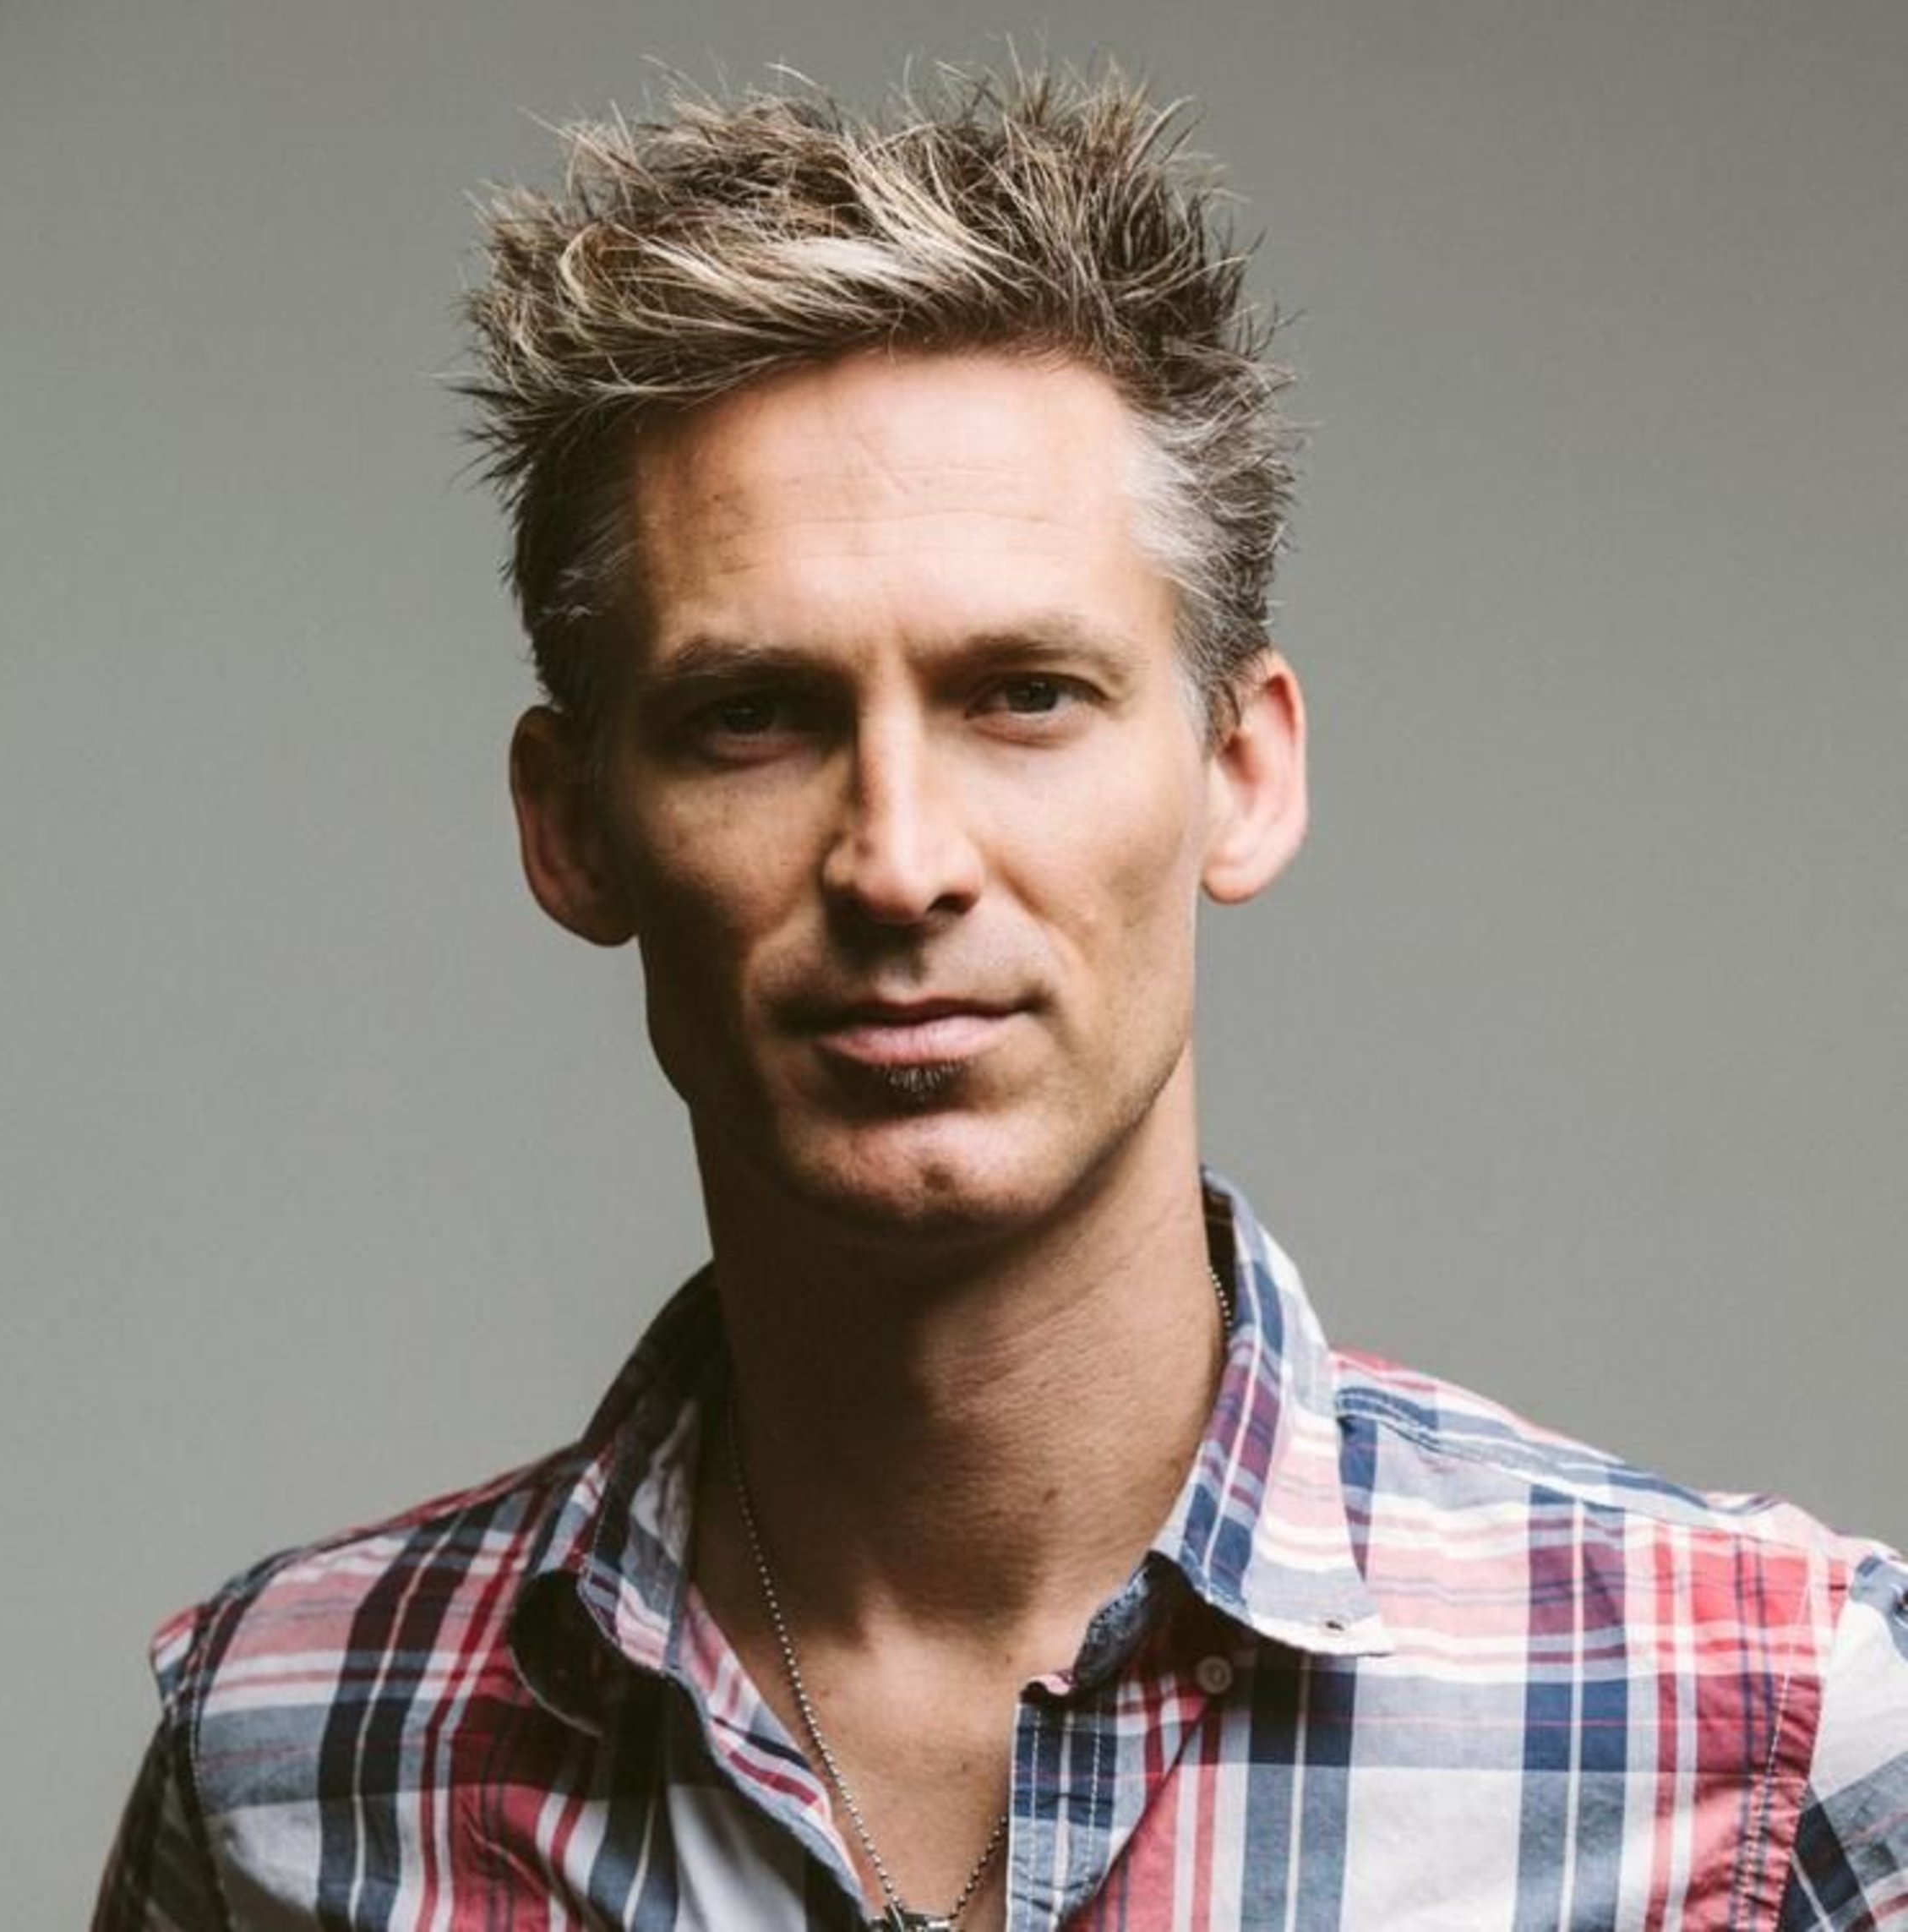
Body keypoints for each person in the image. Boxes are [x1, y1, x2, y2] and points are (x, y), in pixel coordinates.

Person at [95, 66, 1905, 1932]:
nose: (899, 862)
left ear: (1241, 769)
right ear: (572, 829)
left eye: (1025, 695)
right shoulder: (287, 1758)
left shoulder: (1759, 1733)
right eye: (751, 716)